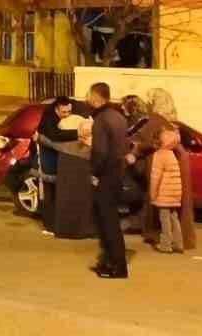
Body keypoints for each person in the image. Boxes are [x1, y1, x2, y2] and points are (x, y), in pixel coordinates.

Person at [128, 88, 195, 251]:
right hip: (177, 164)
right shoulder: (172, 121)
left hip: (160, 164)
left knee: (161, 205)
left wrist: (134, 150)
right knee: (175, 210)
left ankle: (161, 238)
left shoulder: (155, 119)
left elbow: (145, 141)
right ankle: (180, 241)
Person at [86, 82, 129, 279]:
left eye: (88, 93)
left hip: (106, 175)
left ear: (96, 96)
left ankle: (116, 266)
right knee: (109, 220)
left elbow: (101, 152)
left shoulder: (102, 119)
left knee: (107, 222)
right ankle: (108, 262)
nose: (86, 97)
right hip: (117, 173)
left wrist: (94, 173)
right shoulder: (118, 116)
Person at [36, 97, 80, 235]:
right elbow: (55, 136)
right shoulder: (49, 118)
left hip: (58, 160)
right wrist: (77, 133)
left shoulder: (61, 116)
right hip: (48, 161)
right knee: (49, 193)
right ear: (56, 109)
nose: (67, 115)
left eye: (69, 111)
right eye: (63, 112)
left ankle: (55, 223)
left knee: (56, 193)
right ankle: (48, 225)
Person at [51, 114, 96, 240]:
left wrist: (40, 138)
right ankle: (81, 230)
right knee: (81, 199)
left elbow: (52, 142)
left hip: (68, 165)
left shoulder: (65, 145)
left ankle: (65, 230)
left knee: (66, 198)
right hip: (82, 166)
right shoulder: (88, 146)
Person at [148, 126, 185, 254]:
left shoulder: (159, 155)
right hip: (174, 193)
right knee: (174, 218)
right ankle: (178, 243)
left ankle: (166, 244)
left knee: (164, 219)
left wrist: (153, 195)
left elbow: (155, 177)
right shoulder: (171, 154)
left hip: (164, 194)